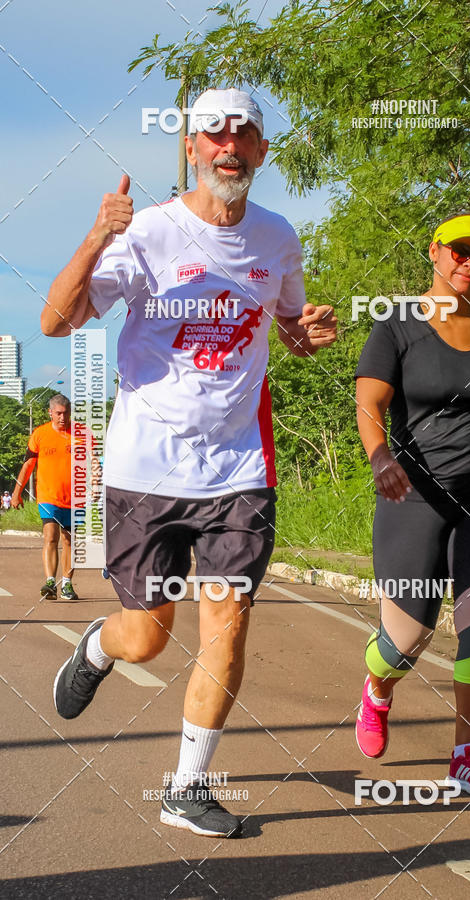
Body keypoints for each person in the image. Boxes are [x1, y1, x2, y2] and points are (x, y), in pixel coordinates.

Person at [42, 88, 337, 837]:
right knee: (148, 634)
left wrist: (308, 331)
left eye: (243, 135)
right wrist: (94, 237)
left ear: (262, 152)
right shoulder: (145, 233)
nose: (228, 147)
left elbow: (289, 327)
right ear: (191, 148)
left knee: (228, 621)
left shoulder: (277, 238)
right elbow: (54, 321)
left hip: (238, 468)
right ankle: (99, 644)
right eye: (213, 134)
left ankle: (187, 786)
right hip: (146, 467)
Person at [354, 212, 470, 798]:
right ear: (435, 251)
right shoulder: (395, 326)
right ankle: (377, 688)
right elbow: (370, 403)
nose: (469, 262)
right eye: (459, 251)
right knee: (408, 639)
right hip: (412, 495)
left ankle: (467, 753)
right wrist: (379, 458)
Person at [11, 394, 79, 601]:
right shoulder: (39, 434)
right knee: (51, 536)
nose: (62, 417)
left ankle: (67, 584)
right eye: (58, 413)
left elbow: (93, 461)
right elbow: (28, 465)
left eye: (66, 413)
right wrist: (17, 492)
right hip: (48, 496)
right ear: (50, 412)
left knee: (69, 540)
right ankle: (50, 581)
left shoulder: (80, 433)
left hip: (75, 498)